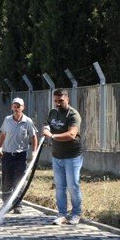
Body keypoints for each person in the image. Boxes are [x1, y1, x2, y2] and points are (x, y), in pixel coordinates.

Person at [43, 88, 83, 225]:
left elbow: (71, 134)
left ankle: (76, 213)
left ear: (67, 99)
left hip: (72, 156)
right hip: (57, 156)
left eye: (60, 101)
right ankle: (62, 214)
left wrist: (52, 136)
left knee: (73, 185)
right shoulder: (53, 112)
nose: (58, 103)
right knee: (60, 186)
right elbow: (47, 124)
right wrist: (45, 128)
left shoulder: (73, 115)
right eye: (55, 101)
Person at [0, 97, 39, 214]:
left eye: (18, 106)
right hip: (7, 155)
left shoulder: (27, 121)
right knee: (6, 180)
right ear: (12, 107)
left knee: (19, 181)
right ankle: (6, 204)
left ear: (23, 107)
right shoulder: (7, 120)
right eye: (14, 106)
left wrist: (34, 151)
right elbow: (3, 134)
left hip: (21, 155)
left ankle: (17, 205)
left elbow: (33, 136)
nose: (16, 109)